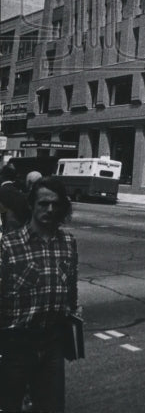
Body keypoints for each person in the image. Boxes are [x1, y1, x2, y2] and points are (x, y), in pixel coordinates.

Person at [0, 176, 79, 413]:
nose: (50, 209)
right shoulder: (8, 245)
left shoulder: (68, 242)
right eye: (43, 203)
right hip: (15, 345)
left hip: (52, 343)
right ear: (32, 204)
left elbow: (71, 291)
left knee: (52, 407)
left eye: (55, 204)